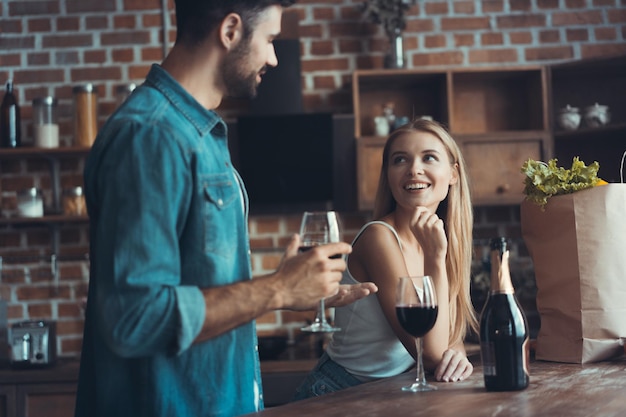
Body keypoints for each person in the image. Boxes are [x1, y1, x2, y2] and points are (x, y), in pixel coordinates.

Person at [73, 1, 377, 417]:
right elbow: (135, 317)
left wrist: (283, 290)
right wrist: (277, 288)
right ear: (230, 30)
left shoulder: (200, 133)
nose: (273, 57)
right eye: (270, 39)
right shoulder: (150, 137)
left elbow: (195, 284)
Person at [294, 118, 478, 399]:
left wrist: (457, 352)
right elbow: (428, 354)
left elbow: (449, 334)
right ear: (389, 175)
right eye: (400, 160)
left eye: (429, 157)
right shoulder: (379, 238)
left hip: (390, 392)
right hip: (340, 391)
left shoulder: (440, 239)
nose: (414, 169)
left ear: (453, 174)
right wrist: (435, 258)